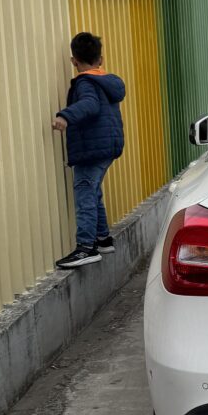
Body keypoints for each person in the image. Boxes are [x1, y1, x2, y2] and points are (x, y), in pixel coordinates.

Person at [52, 32, 126, 269]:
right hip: (107, 145)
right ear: (100, 59)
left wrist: (65, 115)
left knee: (84, 191)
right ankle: (103, 239)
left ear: (74, 61)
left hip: (92, 148)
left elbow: (90, 105)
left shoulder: (85, 82)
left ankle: (86, 247)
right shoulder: (106, 81)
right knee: (93, 191)